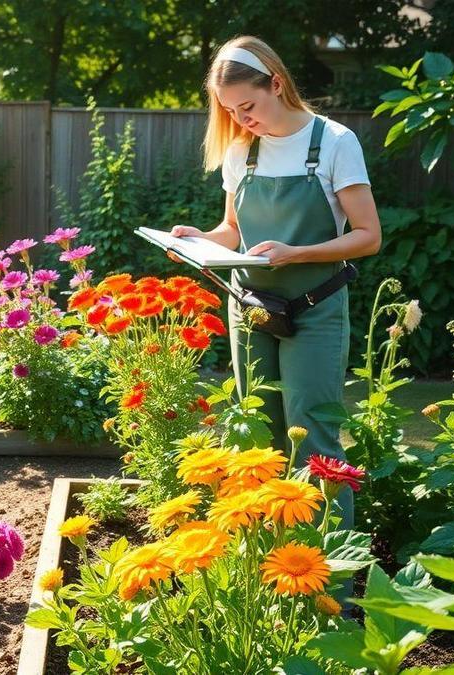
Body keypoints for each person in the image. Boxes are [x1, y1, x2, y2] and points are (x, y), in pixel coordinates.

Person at [170, 35, 381, 535]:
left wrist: (298, 253)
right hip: (250, 307)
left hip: (314, 308)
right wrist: (198, 240)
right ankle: (264, 572)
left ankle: (335, 587)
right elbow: (232, 232)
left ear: (277, 84)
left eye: (247, 106)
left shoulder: (334, 142)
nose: (241, 120)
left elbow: (368, 237)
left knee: (317, 447)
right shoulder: (241, 150)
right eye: (229, 111)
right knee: (254, 440)